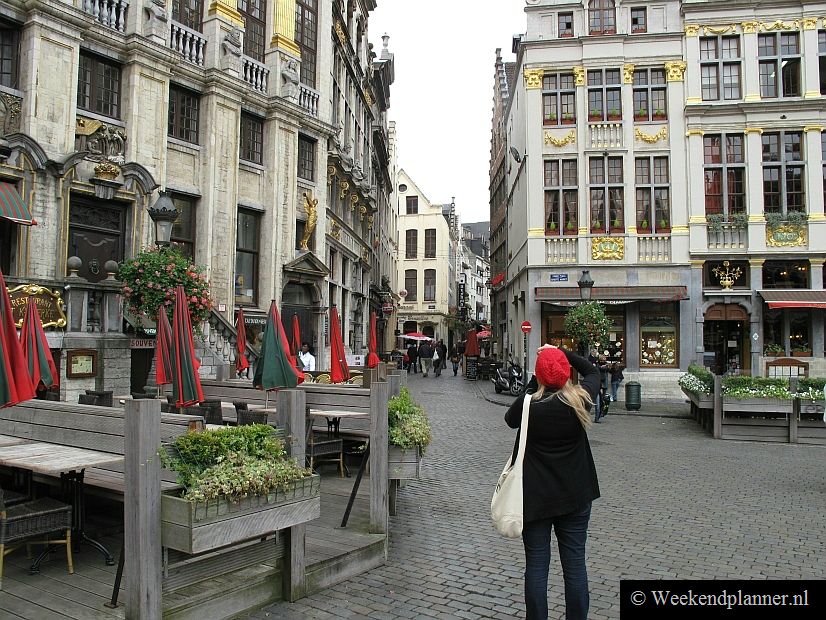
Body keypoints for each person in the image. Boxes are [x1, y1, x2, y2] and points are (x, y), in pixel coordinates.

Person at [505, 345, 599, 620]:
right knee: (575, 568)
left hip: (536, 497)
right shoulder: (580, 400)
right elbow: (592, 370)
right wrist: (561, 353)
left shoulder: (527, 407)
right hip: (575, 495)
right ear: (565, 372)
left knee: (536, 566)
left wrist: (538, 376)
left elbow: (509, 419)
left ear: (539, 375)